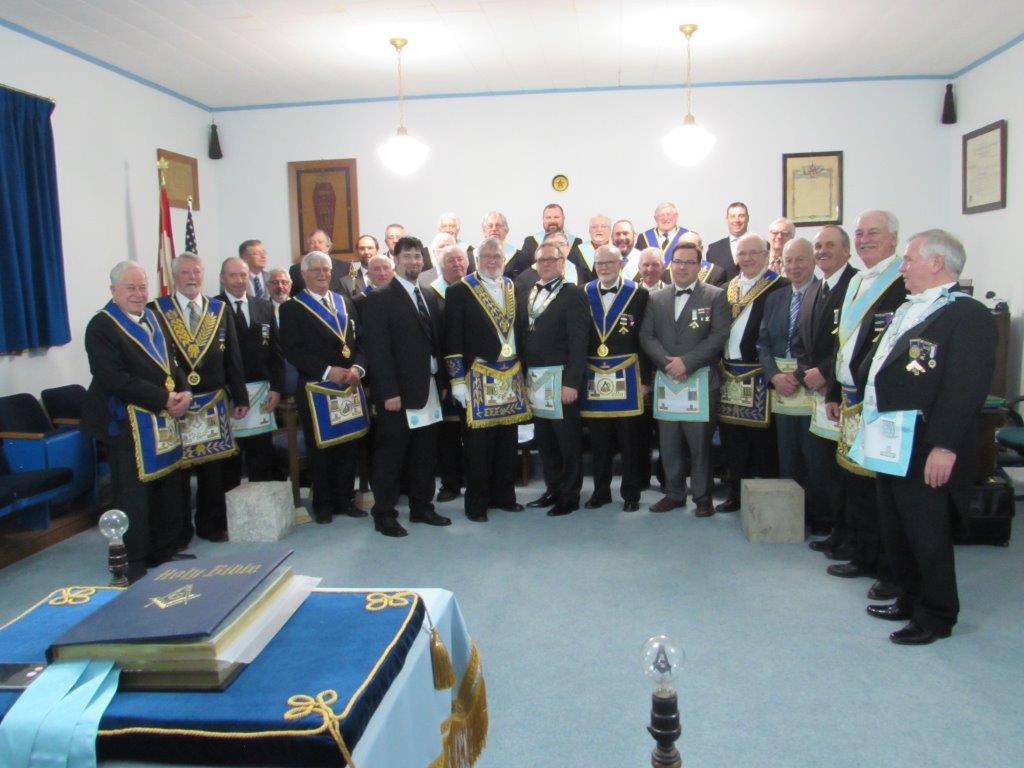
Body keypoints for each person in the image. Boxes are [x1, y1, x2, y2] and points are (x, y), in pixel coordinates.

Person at [858, 230, 995, 644]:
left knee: (926, 531)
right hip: (891, 436)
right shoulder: (909, 307)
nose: (902, 268)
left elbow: (965, 387)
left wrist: (945, 445)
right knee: (896, 525)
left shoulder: (967, 314)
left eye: (909, 259)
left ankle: (937, 615)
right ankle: (909, 596)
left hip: (926, 439)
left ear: (936, 263)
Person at [82, 262, 192, 582]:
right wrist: (164, 398)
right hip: (124, 423)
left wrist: (183, 391)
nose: (138, 293)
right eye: (130, 288)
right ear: (114, 291)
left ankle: (162, 550)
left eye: (142, 287)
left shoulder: (154, 317)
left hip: (160, 418)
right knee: (133, 495)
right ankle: (133, 560)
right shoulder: (101, 326)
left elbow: (171, 362)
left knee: (165, 487)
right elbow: (113, 377)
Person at [825, 210, 907, 589]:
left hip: (879, 399)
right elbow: (841, 342)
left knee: (878, 489)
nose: (864, 239)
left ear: (893, 238)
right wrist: (834, 390)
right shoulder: (858, 280)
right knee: (854, 482)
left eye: (873, 232)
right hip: (850, 396)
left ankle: (883, 565)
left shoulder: (902, 281)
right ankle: (862, 552)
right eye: (859, 233)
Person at [150, 252, 249, 543]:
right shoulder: (157, 310)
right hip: (176, 403)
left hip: (212, 401)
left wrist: (240, 396)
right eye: (185, 272)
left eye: (196, 272)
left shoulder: (218, 309)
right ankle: (179, 531)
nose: (191, 278)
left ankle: (211, 525)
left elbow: (233, 356)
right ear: (174, 276)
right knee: (178, 471)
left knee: (213, 470)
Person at [362, 236, 450, 537]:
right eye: (407, 256)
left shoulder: (428, 294)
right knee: (391, 455)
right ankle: (384, 514)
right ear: (395, 260)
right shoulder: (379, 299)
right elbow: (377, 351)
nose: (413, 261)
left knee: (425, 453)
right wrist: (388, 392)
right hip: (396, 394)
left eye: (417, 257)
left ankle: (422, 507)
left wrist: (442, 381)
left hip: (428, 388)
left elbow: (435, 343)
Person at [639, 241, 730, 517]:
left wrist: (687, 362)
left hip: (700, 379)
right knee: (668, 443)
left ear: (699, 266)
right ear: (670, 265)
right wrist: (668, 364)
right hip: (667, 379)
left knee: (699, 444)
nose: (682, 267)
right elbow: (646, 336)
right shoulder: (655, 298)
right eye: (678, 261)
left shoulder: (715, 295)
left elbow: (719, 336)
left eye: (689, 262)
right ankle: (674, 493)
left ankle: (702, 497)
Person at [444, 237, 531, 521]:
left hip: (510, 375)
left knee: (507, 442)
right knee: (478, 447)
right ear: (477, 260)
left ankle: (504, 496)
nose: (493, 261)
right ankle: (477, 505)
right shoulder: (460, 290)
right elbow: (452, 338)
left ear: (504, 259)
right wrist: (457, 380)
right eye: (487, 256)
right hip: (477, 377)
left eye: (497, 256)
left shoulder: (512, 286)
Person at [278, 251, 367, 524]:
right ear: (303, 274)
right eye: (316, 270)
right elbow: (292, 349)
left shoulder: (345, 302)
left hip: (348, 384)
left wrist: (357, 368)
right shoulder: (292, 308)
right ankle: (324, 503)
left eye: (326, 269)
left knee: (349, 444)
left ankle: (345, 498)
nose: (322, 274)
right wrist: (328, 371)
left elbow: (360, 342)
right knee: (321, 448)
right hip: (316, 387)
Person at [793, 225, 858, 543]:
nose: (822, 251)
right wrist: (809, 372)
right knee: (819, 460)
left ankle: (845, 530)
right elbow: (800, 341)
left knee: (844, 466)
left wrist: (825, 373)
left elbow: (857, 342)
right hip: (817, 392)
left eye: (830, 245)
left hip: (843, 391)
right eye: (818, 246)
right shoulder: (814, 289)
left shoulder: (857, 285)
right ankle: (829, 524)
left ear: (846, 250)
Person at [517, 241, 589, 517]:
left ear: (562, 263)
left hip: (560, 380)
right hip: (536, 379)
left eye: (551, 259)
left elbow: (579, 341)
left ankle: (569, 495)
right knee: (545, 439)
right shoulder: (531, 291)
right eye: (541, 260)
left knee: (566, 441)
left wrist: (572, 382)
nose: (545, 264)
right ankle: (552, 489)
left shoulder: (573, 293)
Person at [716, 233, 787, 512]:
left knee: (764, 442)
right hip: (729, 374)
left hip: (760, 373)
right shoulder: (726, 288)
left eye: (753, 253)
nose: (747, 259)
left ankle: (767, 500)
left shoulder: (780, 286)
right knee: (733, 440)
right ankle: (736, 493)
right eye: (742, 253)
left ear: (766, 255)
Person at [580, 245, 650, 511]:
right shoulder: (583, 292)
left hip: (628, 375)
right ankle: (600, 492)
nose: (604, 268)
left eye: (609, 262)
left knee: (629, 440)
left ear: (621, 264)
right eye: (599, 263)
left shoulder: (639, 294)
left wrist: (645, 379)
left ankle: (631, 494)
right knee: (599, 441)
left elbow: (644, 339)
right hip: (594, 375)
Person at [218, 256, 285, 486]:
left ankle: (262, 507)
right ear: (222, 278)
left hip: (262, 394)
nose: (239, 280)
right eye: (233, 275)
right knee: (230, 462)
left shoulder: (263, 305)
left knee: (261, 458)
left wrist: (277, 387)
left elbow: (276, 352)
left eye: (243, 275)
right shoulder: (214, 307)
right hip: (228, 394)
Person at [756, 238, 817, 483]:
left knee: (813, 455)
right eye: (788, 260)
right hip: (781, 388)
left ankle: (814, 506)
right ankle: (790, 504)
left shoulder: (824, 294)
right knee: (786, 454)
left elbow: (828, 346)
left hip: (812, 387)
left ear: (813, 261)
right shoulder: (775, 298)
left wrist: (797, 376)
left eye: (800, 259)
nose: (793, 266)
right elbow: (763, 343)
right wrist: (774, 375)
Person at [428, 245, 471, 502]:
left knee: (473, 432)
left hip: (475, 373)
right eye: (451, 261)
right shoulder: (431, 294)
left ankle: (474, 480)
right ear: (441, 266)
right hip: (445, 375)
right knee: (447, 433)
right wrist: (445, 378)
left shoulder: (475, 288)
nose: (457, 264)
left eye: (460, 260)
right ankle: (450, 483)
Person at [506, 203, 584, 281]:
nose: (552, 221)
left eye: (556, 217)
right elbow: (523, 270)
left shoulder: (576, 242)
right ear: (543, 220)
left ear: (563, 218)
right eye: (548, 217)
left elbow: (580, 272)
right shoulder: (530, 242)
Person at [288, 230, 349, 296]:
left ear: (328, 246)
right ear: (308, 247)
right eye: (312, 243)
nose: (316, 245)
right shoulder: (295, 270)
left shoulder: (345, 268)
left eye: (320, 242)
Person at [634, 202, 690, 268]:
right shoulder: (644, 238)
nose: (665, 218)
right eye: (661, 215)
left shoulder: (688, 237)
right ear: (655, 218)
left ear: (676, 216)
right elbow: (638, 264)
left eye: (668, 214)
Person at [704, 202, 747, 285]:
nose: (737, 220)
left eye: (741, 216)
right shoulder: (714, 250)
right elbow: (710, 282)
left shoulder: (761, 246)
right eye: (733, 216)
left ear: (747, 218)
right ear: (727, 219)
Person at [575, 214, 612, 284]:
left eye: (603, 226)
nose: (599, 229)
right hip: (584, 290)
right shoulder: (577, 251)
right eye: (594, 227)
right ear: (589, 231)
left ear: (610, 230)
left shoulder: (618, 250)